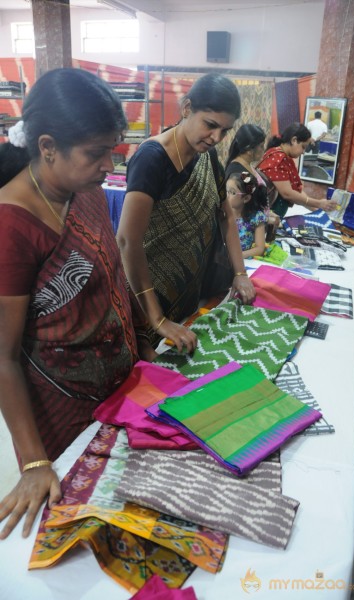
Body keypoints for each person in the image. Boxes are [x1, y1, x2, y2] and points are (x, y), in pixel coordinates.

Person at [0, 68, 155, 540]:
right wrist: (34, 461)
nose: (108, 164)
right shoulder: (12, 227)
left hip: (123, 384)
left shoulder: (84, 191)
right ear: (48, 146)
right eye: (96, 153)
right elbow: (1, 356)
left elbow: (112, 274)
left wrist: (147, 340)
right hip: (62, 407)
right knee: (87, 528)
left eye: (113, 150)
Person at [117, 73, 255, 354]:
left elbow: (225, 215)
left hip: (188, 293)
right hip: (147, 299)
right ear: (187, 108)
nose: (217, 138)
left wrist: (240, 273)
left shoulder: (205, 154)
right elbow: (127, 241)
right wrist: (157, 319)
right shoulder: (152, 160)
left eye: (225, 131)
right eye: (211, 125)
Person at [257, 122, 337, 218]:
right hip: (267, 217)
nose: (303, 152)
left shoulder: (283, 157)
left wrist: (318, 210)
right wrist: (318, 203)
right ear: (294, 140)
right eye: (303, 147)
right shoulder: (278, 159)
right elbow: (287, 194)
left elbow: (296, 192)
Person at [225, 123, 280, 238]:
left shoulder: (246, 166)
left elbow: (253, 199)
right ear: (249, 149)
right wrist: (265, 218)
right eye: (261, 146)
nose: (263, 149)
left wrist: (267, 214)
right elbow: (243, 207)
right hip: (246, 235)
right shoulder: (241, 173)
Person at [226, 171, 266, 258]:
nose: (226, 196)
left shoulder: (256, 217)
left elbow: (260, 248)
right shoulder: (222, 213)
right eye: (226, 191)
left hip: (243, 261)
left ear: (246, 198)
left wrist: (238, 256)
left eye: (232, 193)